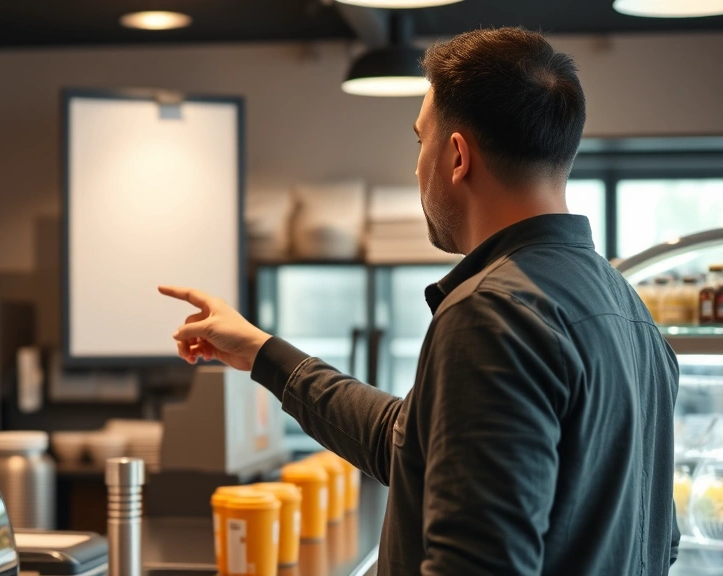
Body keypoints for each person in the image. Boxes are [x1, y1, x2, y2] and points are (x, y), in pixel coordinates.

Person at [160, 27, 680, 576]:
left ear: (456, 156)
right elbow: (409, 447)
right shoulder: (630, 310)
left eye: (419, 141)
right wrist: (262, 352)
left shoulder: (493, 313)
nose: (416, 167)